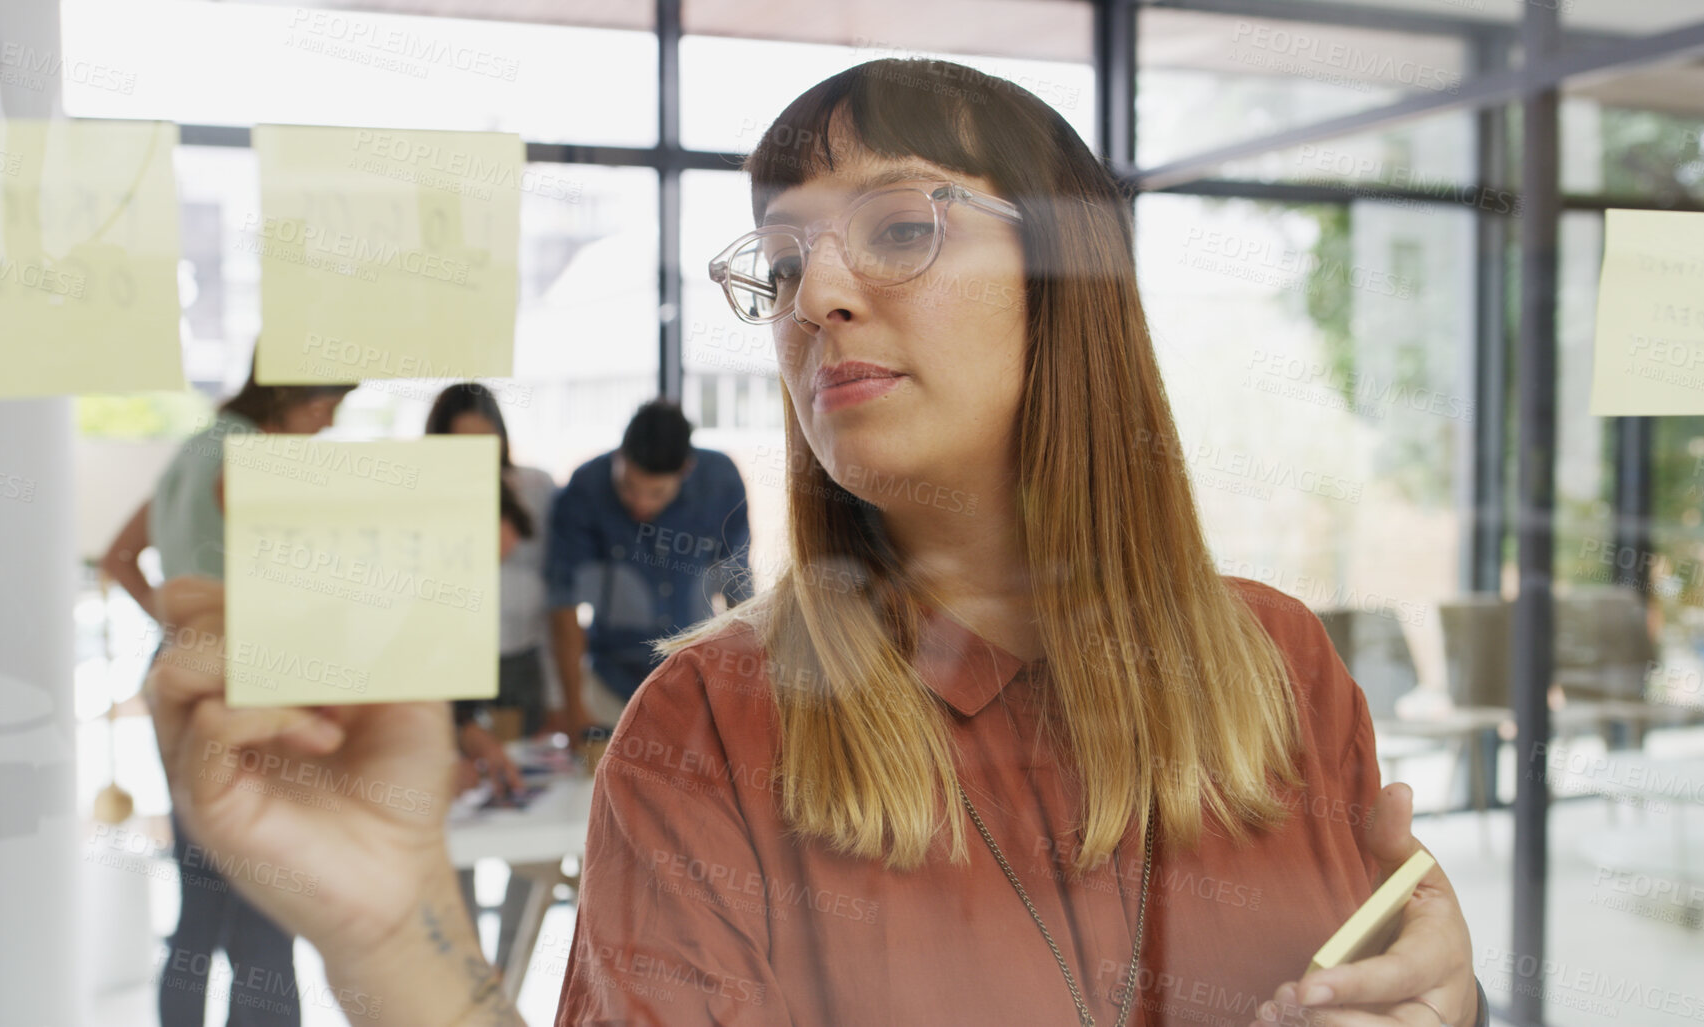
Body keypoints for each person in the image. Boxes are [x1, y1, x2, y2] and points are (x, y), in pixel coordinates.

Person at [140, 59, 1484, 1027]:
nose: (815, 296)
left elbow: (1374, 967)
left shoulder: (1280, 661)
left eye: (899, 229)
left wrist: (1445, 1000)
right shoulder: (711, 728)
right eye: (780, 266)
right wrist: (396, 940)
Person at [102, 363, 351, 1027]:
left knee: (203, 898)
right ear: (291, 390)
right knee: (267, 907)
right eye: (327, 402)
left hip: (183, 681)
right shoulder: (257, 460)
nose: (330, 421)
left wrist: (180, 626)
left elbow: (118, 556)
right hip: (245, 684)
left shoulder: (196, 446)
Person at [545, 399, 751, 739]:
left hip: (697, 682)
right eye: (629, 487)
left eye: (655, 493)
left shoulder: (720, 482)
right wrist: (575, 712)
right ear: (618, 456)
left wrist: (741, 696)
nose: (640, 503)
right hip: (610, 685)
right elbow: (563, 601)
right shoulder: (585, 488)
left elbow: (739, 590)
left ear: (685, 470)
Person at [424, 383, 551, 793]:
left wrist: (561, 697)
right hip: (449, 672)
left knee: (522, 792)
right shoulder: (423, 499)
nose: (476, 459)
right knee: (457, 804)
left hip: (519, 666)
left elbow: (557, 595)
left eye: (485, 443)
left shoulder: (534, 489)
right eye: (462, 447)